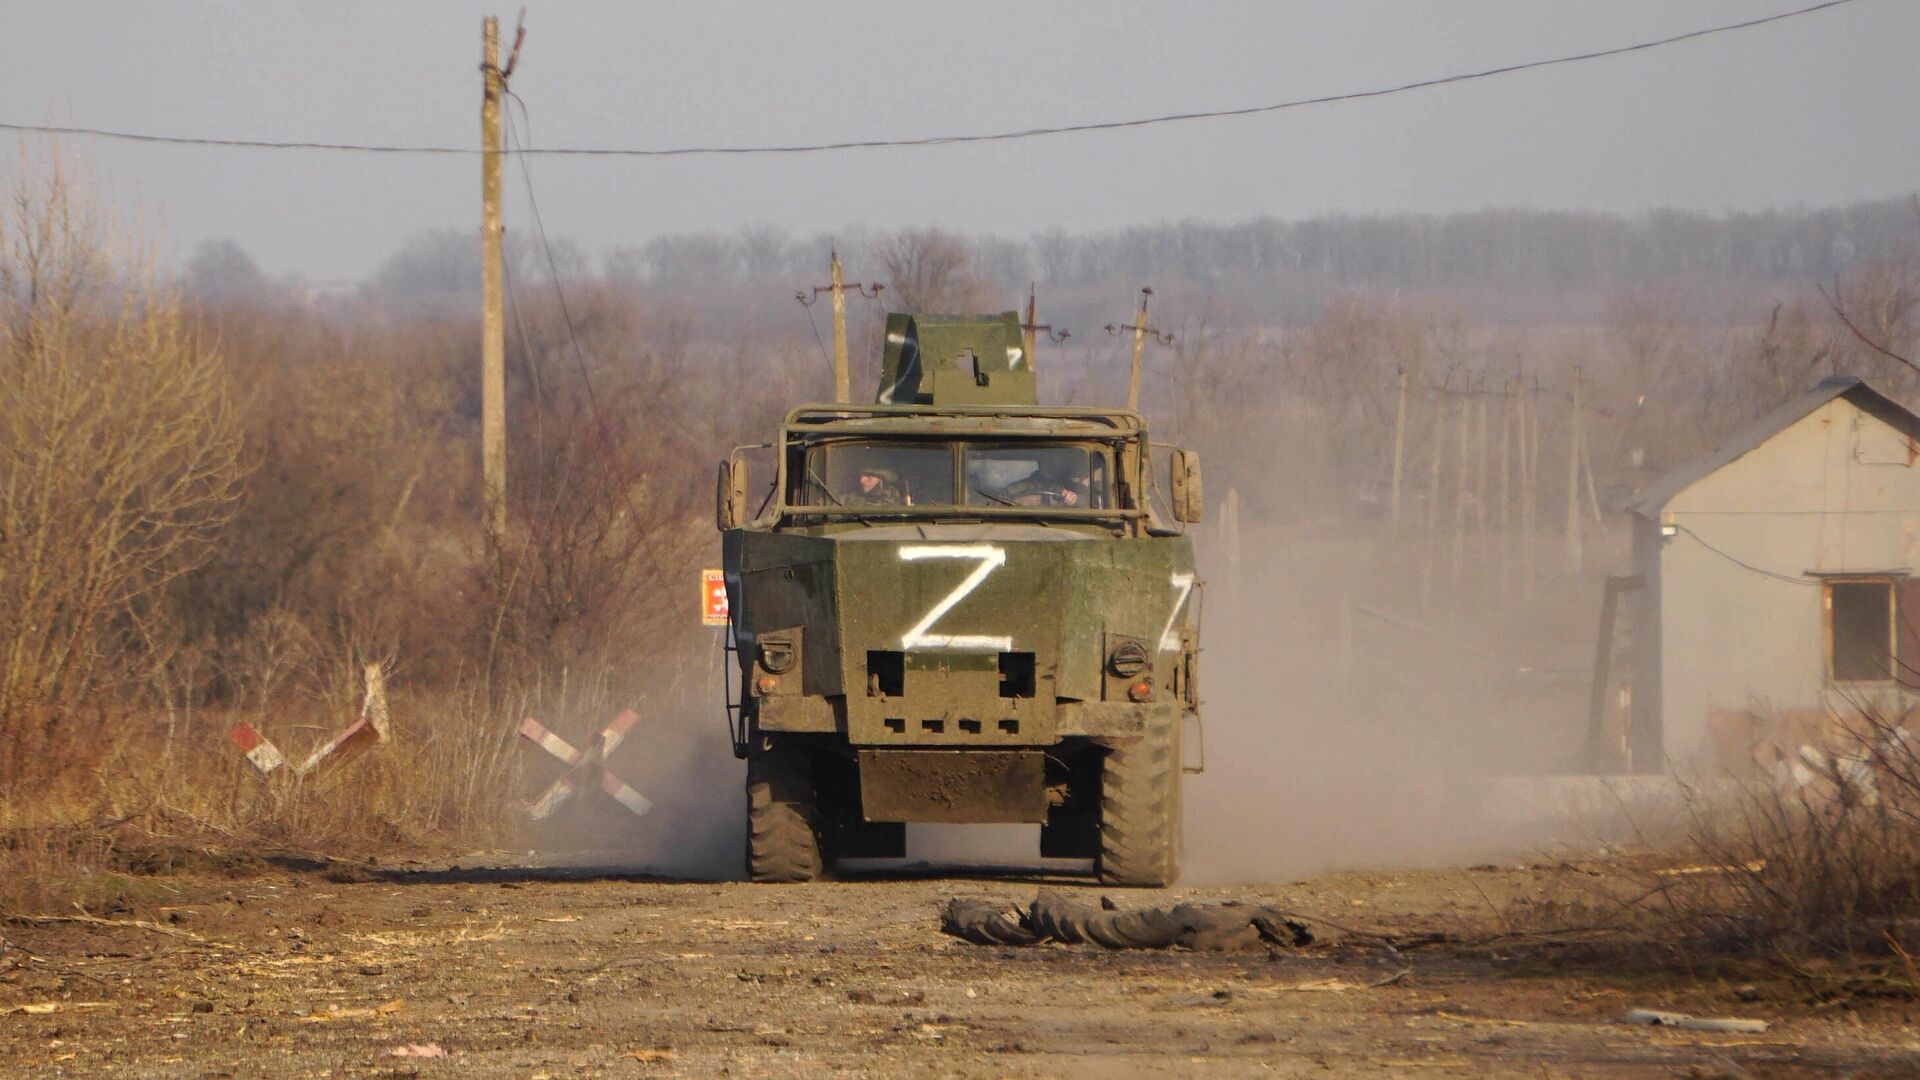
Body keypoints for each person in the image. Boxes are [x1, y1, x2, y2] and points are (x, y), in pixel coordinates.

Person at [1004, 459, 1089, 507]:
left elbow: (1090, 504)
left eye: (1056, 463)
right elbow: (997, 505)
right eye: (1047, 460)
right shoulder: (1016, 488)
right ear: (1040, 463)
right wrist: (1022, 501)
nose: (1051, 466)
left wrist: (1075, 499)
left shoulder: (1071, 486)